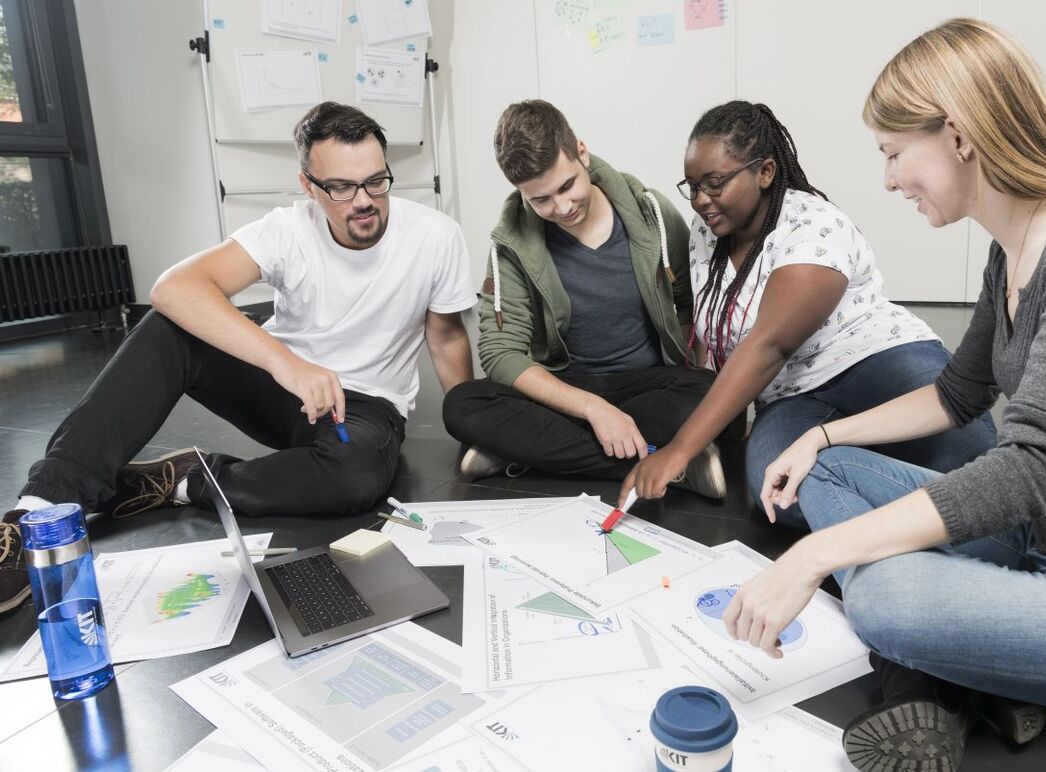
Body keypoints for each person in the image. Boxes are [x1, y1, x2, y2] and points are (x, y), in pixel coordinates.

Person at [724, 19, 1046, 772]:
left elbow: (1034, 466)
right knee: (824, 472)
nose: (890, 179)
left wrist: (814, 556)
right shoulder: (1013, 248)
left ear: (958, 135)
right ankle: (980, 672)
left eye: (895, 153)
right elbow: (958, 397)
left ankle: (942, 676)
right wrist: (821, 439)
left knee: (884, 600)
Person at [0, 101, 475, 613]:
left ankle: (184, 480)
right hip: (283, 386)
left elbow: (446, 337)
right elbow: (174, 288)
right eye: (340, 187)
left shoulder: (436, 235)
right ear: (309, 186)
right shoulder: (287, 230)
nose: (364, 201)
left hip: (361, 408)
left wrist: (472, 426)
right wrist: (286, 364)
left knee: (357, 477)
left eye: (376, 182)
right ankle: (39, 512)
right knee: (169, 326)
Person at [619, 100, 995, 508]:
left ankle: (911, 500)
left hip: (874, 360)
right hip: (792, 397)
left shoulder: (814, 224)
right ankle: (928, 504)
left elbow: (769, 345)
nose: (700, 200)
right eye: (692, 187)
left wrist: (680, 450)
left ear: (765, 172)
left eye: (714, 183)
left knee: (967, 450)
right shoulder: (705, 233)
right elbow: (716, 338)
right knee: (778, 492)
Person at [442, 100, 727, 494]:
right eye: (540, 200)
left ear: (581, 152)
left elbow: (687, 308)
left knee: (714, 391)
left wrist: (693, 381)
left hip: (643, 386)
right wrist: (593, 409)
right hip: (562, 388)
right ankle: (673, 462)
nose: (561, 208)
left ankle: (527, 451)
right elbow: (500, 352)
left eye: (567, 185)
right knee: (462, 404)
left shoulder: (654, 215)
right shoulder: (511, 241)